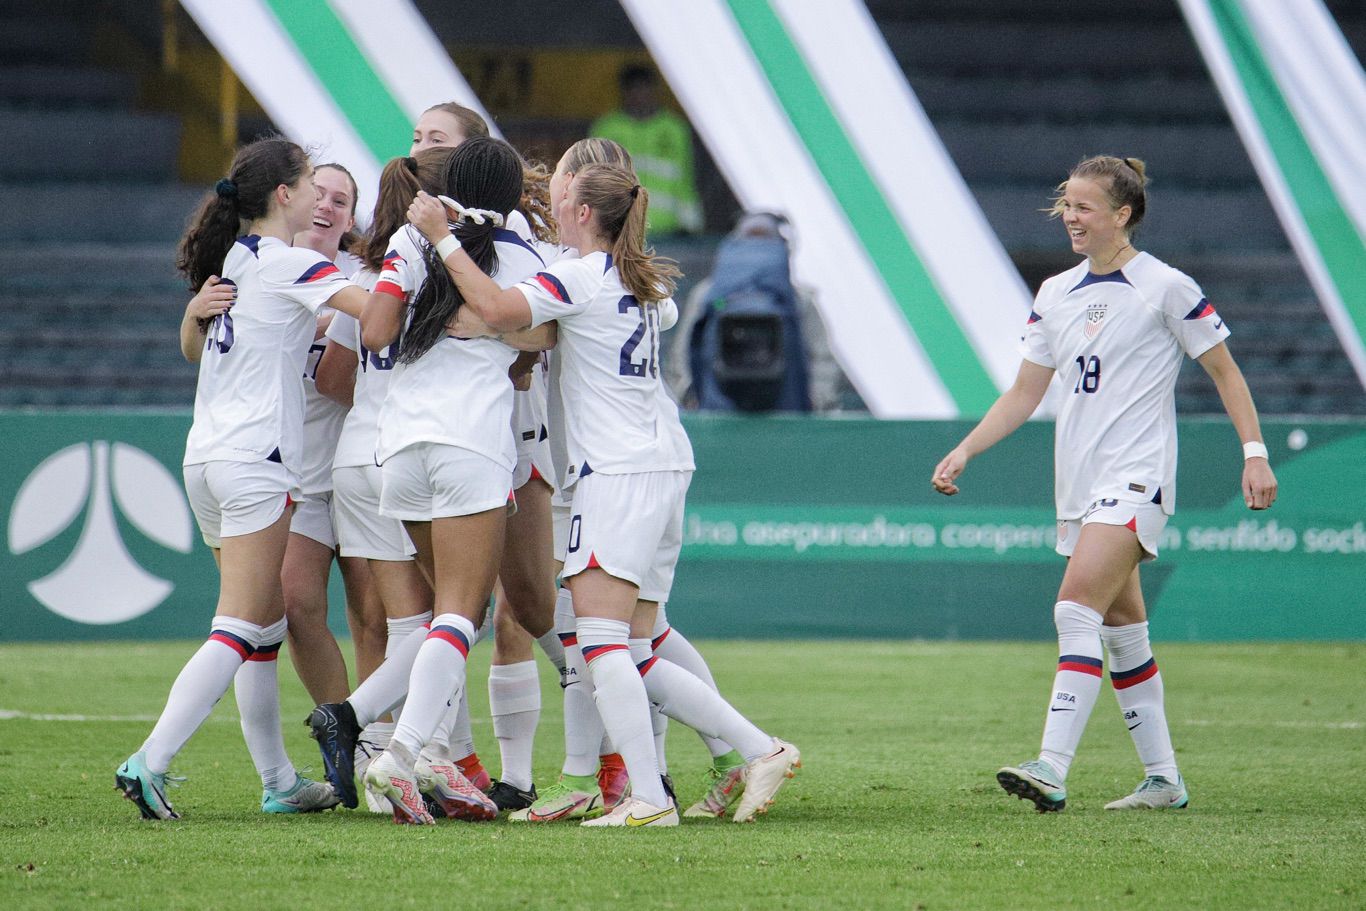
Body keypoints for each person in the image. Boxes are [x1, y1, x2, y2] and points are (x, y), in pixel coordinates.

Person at [407, 149, 800, 827]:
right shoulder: (643, 283)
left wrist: (441, 238)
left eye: (564, 195)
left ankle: (655, 793)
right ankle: (753, 749)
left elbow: (503, 307)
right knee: (636, 647)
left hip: (616, 473)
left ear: (584, 211)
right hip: (662, 463)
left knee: (600, 641)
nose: (554, 202)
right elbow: (552, 327)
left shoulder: (579, 276)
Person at [931, 155, 1278, 813]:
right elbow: (1025, 393)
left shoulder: (1166, 286)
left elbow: (1227, 373)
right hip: (1081, 488)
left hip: (1137, 477)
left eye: (1084, 206)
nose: (1070, 217)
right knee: (1124, 635)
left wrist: (1254, 453)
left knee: (1073, 609)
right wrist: (965, 449)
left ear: (1123, 214)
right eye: (1066, 205)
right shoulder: (1055, 293)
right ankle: (1163, 778)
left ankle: (1051, 766)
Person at [117, 136, 373, 820]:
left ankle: (279, 780)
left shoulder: (235, 255)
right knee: (236, 626)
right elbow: (376, 317)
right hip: (256, 462)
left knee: (261, 625)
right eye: (312, 185)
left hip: (206, 457)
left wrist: (192, 315)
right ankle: (151, 760)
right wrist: (415, 267)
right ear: (283, 195)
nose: (322, 198)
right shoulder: (291, 262)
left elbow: (199, 343)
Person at [357, 137, 555, 825]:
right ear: (512, 194)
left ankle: (428, 756)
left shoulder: (409, 244)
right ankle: (402, 753)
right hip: (470, 438)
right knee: (459, 615)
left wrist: (426, 308)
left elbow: (378, 332)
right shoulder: (523, 252)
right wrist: (479, 323)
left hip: (401, 441)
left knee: (445, 615)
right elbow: (539, 335)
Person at [590, 65, 701, 235]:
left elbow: (685, 178)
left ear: (655, 90)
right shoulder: (606, 128)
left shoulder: (674, 129)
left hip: (669, 229)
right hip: (621, 227)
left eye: (644, 88)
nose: (640, 95)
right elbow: (594, 181)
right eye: (634, 89)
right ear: (624, 92)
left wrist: (690, 223)